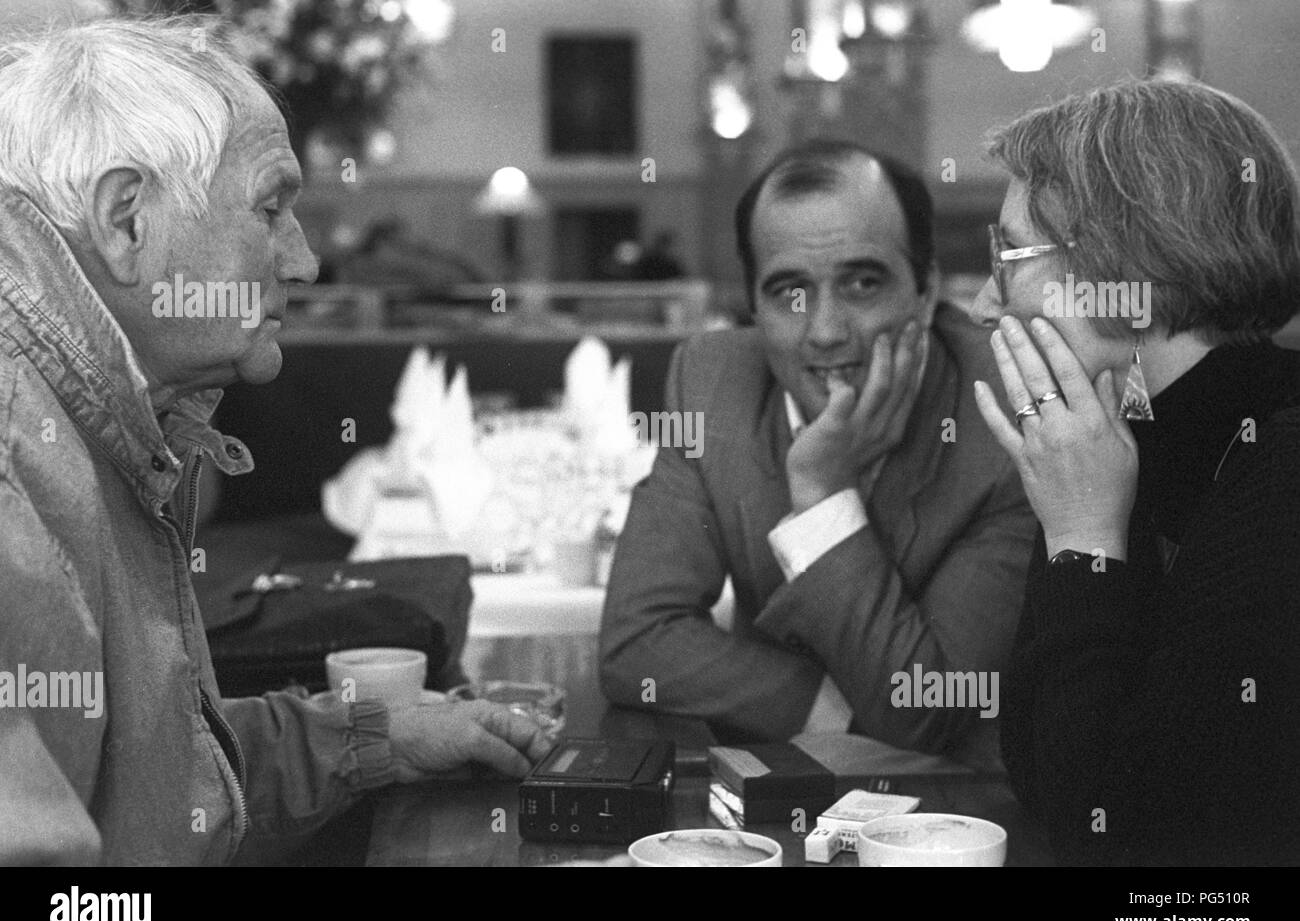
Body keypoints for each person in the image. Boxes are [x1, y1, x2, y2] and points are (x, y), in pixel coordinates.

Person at [0, 17, 549, 866]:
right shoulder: (15, 466)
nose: (304, 263)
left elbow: (150, 786)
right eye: (271, 208)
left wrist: (380, 741)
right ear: (126, 222)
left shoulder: (102, 408)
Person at [599, 140, 1037, 763]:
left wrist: (823, 494)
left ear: (926, 287)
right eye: (789, 292)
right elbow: (634, 641)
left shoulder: (1004, 414)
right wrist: (831, 711)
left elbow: (924, 707)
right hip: (774, 797)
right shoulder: (710, 382)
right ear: (752, 306)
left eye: (862, 282)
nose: (827, 330)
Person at [971, 79, 1300, 865]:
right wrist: (1079, 525)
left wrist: (1083, 536)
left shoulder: (1283, 471)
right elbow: (1045, 775)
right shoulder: (1128, 438)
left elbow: (1140, 864)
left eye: (1008, 256)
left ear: (1123, 266)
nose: (987, 303)